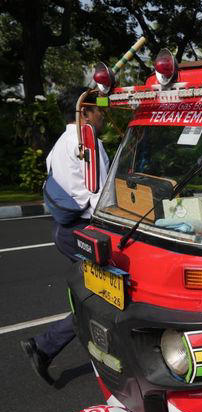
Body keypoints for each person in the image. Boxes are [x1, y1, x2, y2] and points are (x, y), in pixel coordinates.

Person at [20, 87, 110, 385]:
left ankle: (45, 346)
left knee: (91, 295)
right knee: (103, 295)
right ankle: (45, 346)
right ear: (84, 111)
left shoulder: (60, 143)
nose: (103, 114)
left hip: (64, 230)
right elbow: (98, 198)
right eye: (99, 108)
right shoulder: (87, 144)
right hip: (85, 232)